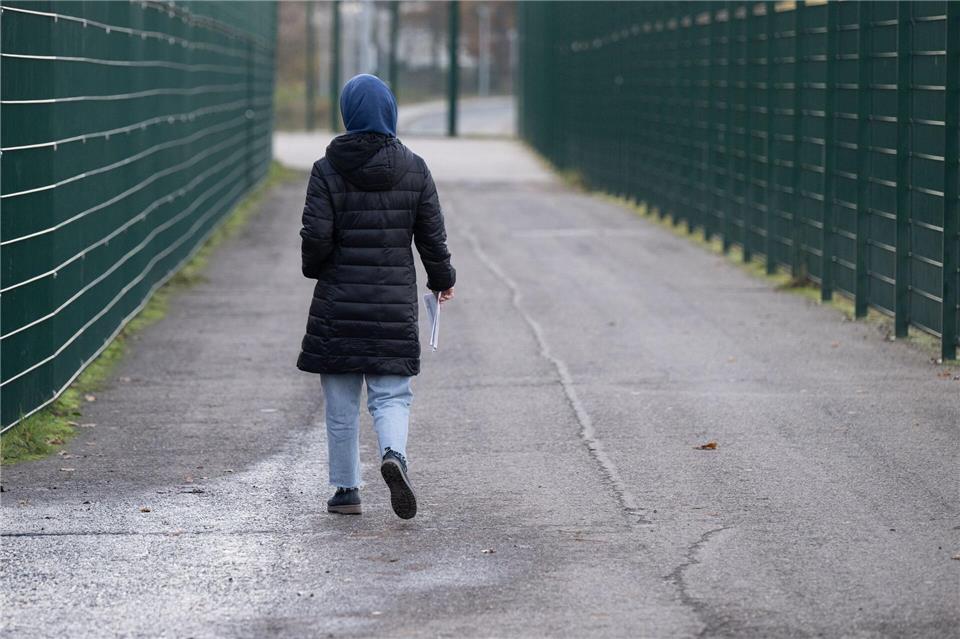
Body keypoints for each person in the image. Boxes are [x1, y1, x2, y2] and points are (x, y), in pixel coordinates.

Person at [297, 74, 456, 520]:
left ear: (348, 113)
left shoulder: (326, 169)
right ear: (390, 112)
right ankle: (393, 455)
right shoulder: (414, 167)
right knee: (391, 396)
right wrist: (442, 278)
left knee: (341, 403)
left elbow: (316, 236)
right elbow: (432, 236)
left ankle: (346, 490)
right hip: (391, 305)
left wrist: (316, 268)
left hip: (338, 305)